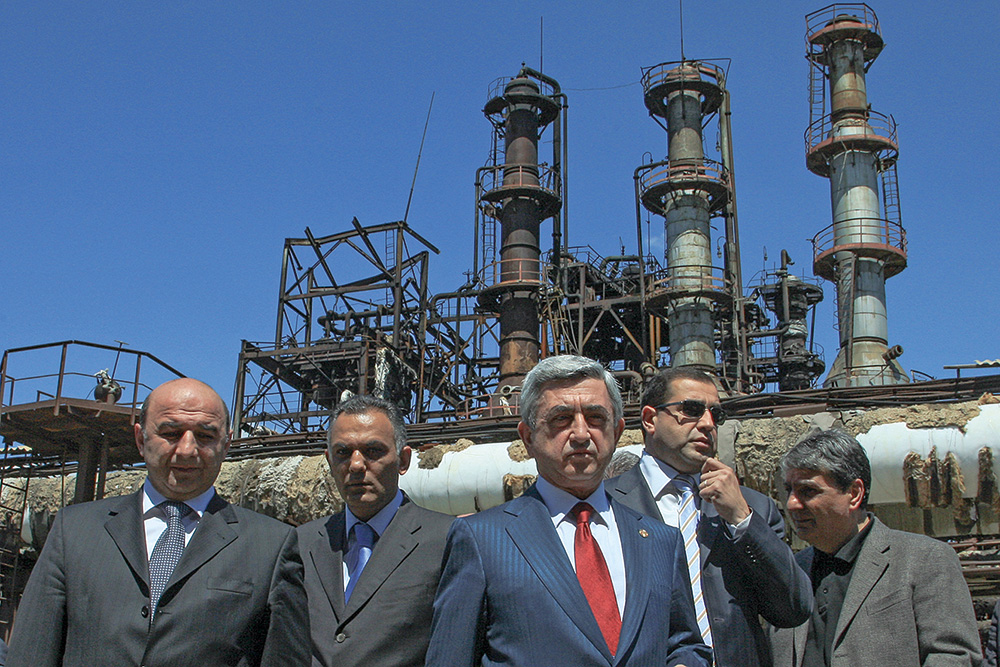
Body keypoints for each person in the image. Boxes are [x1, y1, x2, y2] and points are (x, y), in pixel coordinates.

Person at [426, 355, 712, 666]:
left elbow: (685, 644)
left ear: (617, 432)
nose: (581, 434)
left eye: (595, 418)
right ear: (528, 437)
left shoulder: (661, 540)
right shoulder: (483, 539)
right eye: (561, 418)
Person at [7, 378, 308, 667]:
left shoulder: (271, 546)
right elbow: (31, 653)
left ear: (226, 444)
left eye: (205, 436)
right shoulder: (74, 531)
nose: (187, 450)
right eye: (171, 433)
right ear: (141, 439)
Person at [608, 367, 812, 667]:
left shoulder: (754, 508)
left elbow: (794, 608)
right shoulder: (606, 504)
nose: (707, 423)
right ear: (650, 419)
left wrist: (742, 520)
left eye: (716, 415)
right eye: (691, 410)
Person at [772, 429, 981, 666]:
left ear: (854, 494)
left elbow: (954, 656)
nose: (792, 504)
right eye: (789, 490)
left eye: (808, 491)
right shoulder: (790, 571)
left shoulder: (924, 560)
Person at [297, 394, 453, 667]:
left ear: (403, 460)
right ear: (329, 461)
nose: (356, 465)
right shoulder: (301, 543)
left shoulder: (447, 539)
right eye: (343, 452)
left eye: (373, 451)